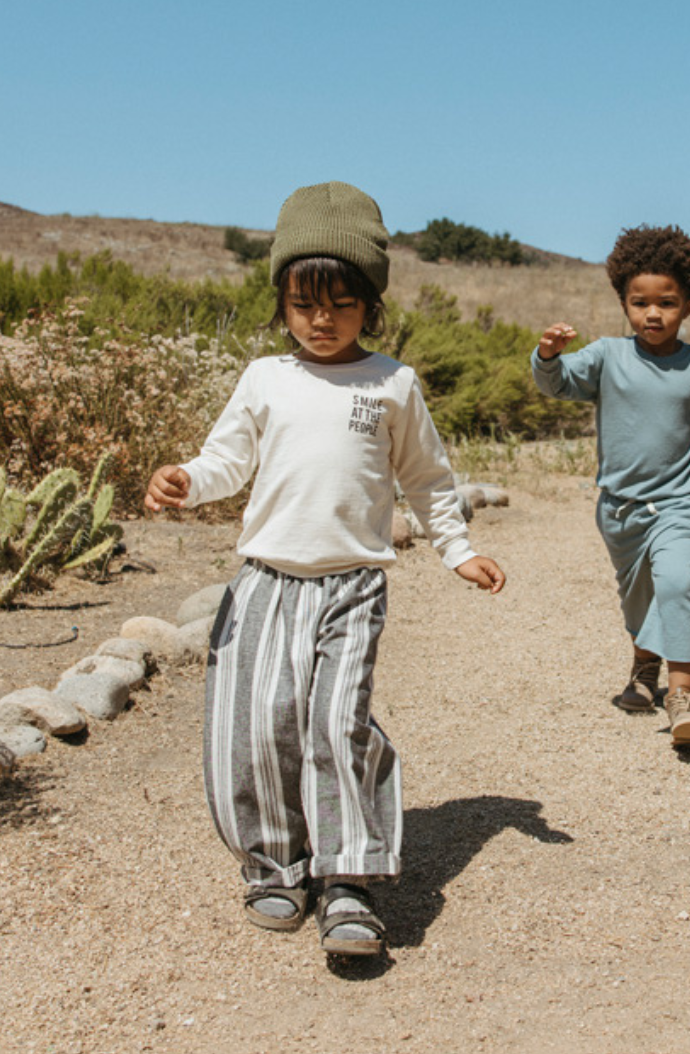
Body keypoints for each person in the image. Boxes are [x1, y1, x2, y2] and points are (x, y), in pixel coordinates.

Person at [145, 181, 505, 957]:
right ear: (282, 303)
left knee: (335, 726)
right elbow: (224, 462)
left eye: (342, 303)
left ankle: (348, 879)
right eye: (305, 303)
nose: (322, 319)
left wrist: (458, 549)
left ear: (369, 306)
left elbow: (429, 480)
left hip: (352, 587)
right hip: (265, 585)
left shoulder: (392, 385)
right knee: (257, 730)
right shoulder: (265, 380)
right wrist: (184, 479)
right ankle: (276, 867)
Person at [532, 224, 690, 745]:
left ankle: (682, 697)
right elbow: (560, 383)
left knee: (677, 582)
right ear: (624, 303)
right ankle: (643, 664)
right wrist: (546, 355)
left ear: (689, 306)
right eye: (640, 302)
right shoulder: (607, 355)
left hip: (678, 505)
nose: (653, 314)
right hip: (619, 511)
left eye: (667, 303)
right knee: (638, 598)